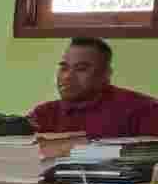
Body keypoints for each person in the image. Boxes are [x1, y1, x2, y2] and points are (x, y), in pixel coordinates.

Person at [27, 35, 158, 137]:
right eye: (64, 68)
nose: (67, 77)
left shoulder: (144, 111)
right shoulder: (44, 114)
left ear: (106, 74)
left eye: (81, 69)